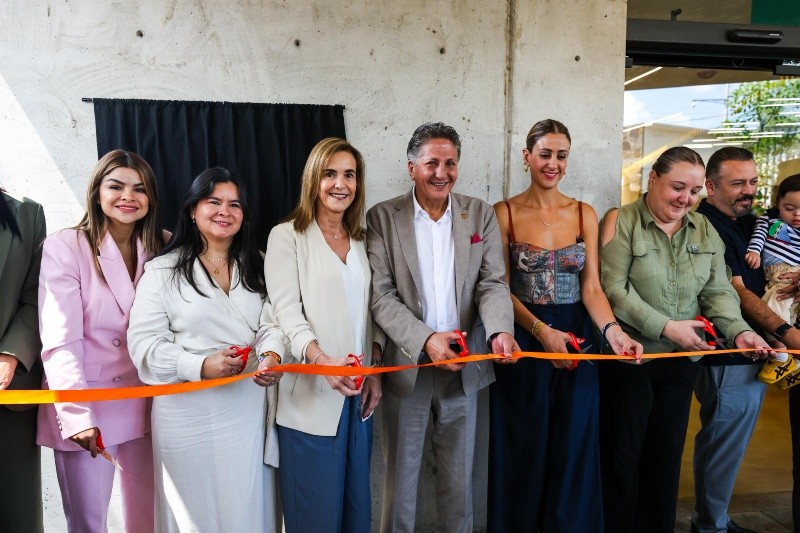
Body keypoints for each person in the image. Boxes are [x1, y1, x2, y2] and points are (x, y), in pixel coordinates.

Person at [599, 146, 771, 533]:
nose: (685, 199)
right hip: (630, 359)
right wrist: (667, 326)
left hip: (679, 363)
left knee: (664, 460)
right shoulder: (621, 220)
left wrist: (739, 330)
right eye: (677, 187)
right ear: (652, 180)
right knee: (622, 460)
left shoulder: (703, 228)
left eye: (694, 192)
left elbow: (718, 291)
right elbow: (612, 289)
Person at [489, 119, 642, 533]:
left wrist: (613, 333)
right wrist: (541, 331)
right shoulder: (503, 212)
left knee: (575, 446)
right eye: (545, 154)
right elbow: (498, 288)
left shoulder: (583, 212)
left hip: (578, 337)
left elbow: (591, 287)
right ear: (527, 157)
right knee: (525, 445)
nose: (553, 163)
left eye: (561, 156)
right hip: (525, 339)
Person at [367, 122, 518, 533]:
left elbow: (491, 283)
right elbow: (380, 295)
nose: (441, 172)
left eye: (450, 163)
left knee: (460, 483)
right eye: (431, 162)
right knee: (401, 486)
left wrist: (501, 330)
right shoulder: (383, 216)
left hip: (465, 364)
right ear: (411, 166)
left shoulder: (479, 212)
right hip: (407, 367)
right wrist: (425, 341)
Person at [127, 167, 284, 532]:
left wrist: (272, 356)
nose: (224, 212)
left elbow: (275, 324)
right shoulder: (162, 271)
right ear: (192, 210)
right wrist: (198, 365)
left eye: (235, 204)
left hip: (247, 408)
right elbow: (144, 346)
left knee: (246, 508)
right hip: (186, 415)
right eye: (213, 202)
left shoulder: (259, 265)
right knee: (192, 515)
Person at [37, 150, 161, 532]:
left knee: (147, 520)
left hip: (147, 405)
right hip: (88, 405)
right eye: (116, 186)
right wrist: (76, 414)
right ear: (96, 192)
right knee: (90, 524)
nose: (128, 196)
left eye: (139, 189)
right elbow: (61, 339)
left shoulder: (163, 245)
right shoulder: (66, 246)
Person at [264, 137, 382, 533]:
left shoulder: (364, 241)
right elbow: (286, 313)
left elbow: (371, 313)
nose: (340, 184)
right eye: (330, 173)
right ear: (313, 179)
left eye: (349, 175)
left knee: (354, 514)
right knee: (314, 517)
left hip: (356, 395)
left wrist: (375, 368)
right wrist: (320, 360)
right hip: (311, 398)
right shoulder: (287, 236)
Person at [694, 146, 800, 533]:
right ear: (709, 186)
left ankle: (713, 519)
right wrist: (787, 333)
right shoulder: (707, 225)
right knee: (723, 440)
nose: (748, 190)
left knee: (730, 441)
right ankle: (710, 525)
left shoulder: (752, 222)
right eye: (737, 183)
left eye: (753, 182)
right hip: (730, 351)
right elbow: (736, 291)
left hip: (760, 345)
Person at [0, 189, 45, 533]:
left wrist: (10, 356)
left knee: (16, 515)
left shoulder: (27, 214)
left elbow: (37, 296)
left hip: (8, 392)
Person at [745, 174, 800, 386]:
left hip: (789, 276)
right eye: (789, 208)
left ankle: (781, 357)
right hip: (771, 274)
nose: (797, 215)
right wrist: (755, 252)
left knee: (773, 311)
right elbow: (758, 237)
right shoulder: (767, 221)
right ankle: (791, 364)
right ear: (778, 203)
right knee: (783, 314)